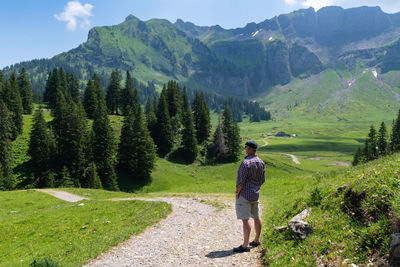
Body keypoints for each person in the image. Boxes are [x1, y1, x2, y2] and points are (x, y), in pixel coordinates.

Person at [233, 140, 266, 253]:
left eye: (246, 147)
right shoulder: (261, 162)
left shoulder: (245, 163)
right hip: (255, 194)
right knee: (256, 217)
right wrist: (256, 187)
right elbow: (263, 180)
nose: (245, 149)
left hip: (245, 195)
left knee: (245, 220)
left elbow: (240, 182)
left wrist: (237, 192)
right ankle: (256, 240)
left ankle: (245, 245)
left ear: (250, 149)